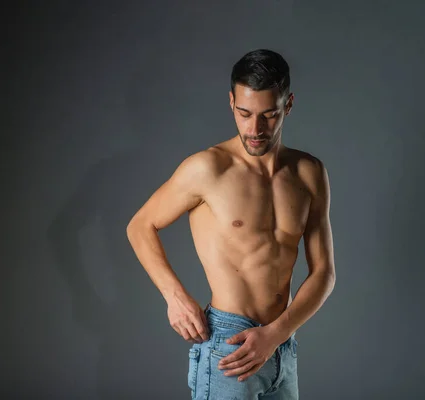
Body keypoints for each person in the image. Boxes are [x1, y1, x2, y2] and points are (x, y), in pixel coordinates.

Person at [126, 48, 335, 399]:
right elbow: (140, 225)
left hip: (282, 342)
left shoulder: (309, 173)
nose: (255, 129)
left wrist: (277, 333)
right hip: (229, 343)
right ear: (231, 103)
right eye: (244, 113)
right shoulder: (209, 168)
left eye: (269, 114)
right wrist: (174, 295)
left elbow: (324, 273)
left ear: (289, 104)